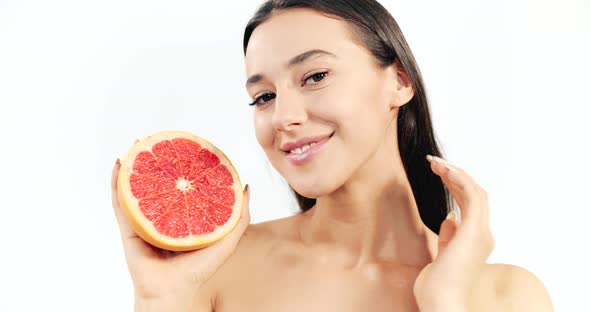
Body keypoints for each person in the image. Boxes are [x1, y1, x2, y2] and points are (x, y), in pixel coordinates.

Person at [111, 0, 554, 311]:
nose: (283, 116)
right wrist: (159, 303)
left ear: (399, 81)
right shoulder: (215, 271)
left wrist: (445, 301)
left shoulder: (505, 297)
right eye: (263, 97)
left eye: (315, 75)